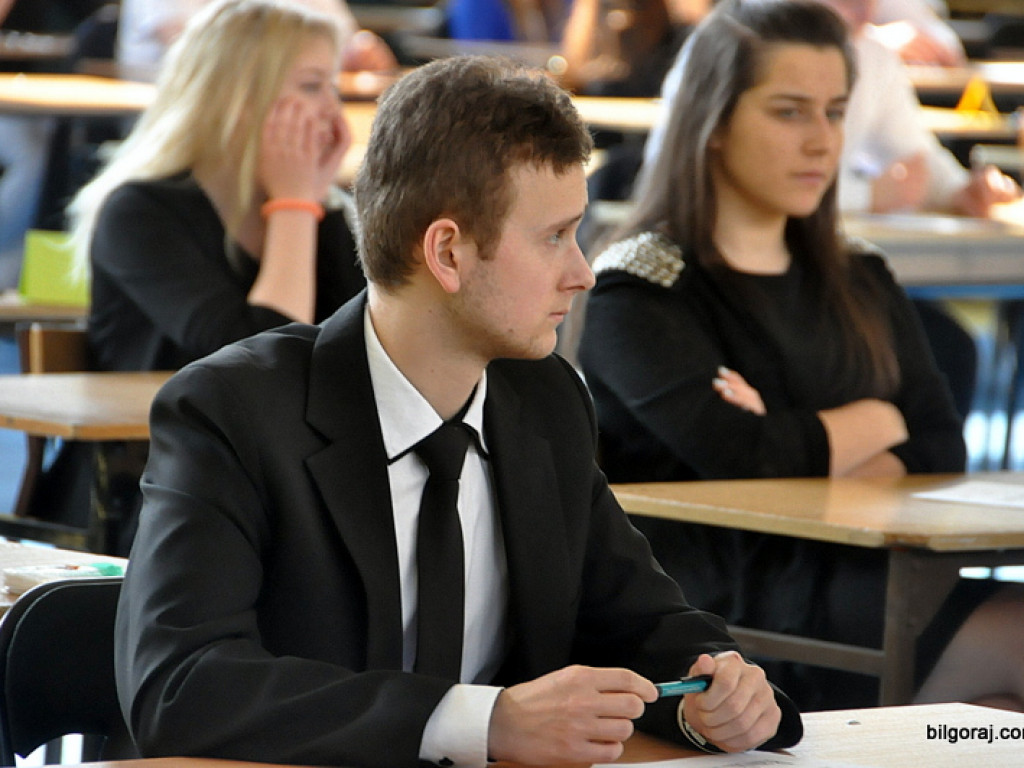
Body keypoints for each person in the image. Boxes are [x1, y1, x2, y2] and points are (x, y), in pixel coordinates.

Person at [114, 54, 804, 767]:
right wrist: (482, 720)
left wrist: (713, 694)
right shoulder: (232, 410)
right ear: (447, 252)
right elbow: (179, 685)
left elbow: (637, 620)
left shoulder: (545, 400)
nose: (583, 272)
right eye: (554, 236)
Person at [578, 0, 1024, 712]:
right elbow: (744, 456)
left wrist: (801, 437)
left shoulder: (860, 275)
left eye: (835, 112)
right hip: (726, 615)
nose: (822, 142)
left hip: (868, 573)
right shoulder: (641, 286)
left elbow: (940, 443)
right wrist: (878, 422)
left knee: (996, 725)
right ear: (715, 123)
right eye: (789, 113)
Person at [64, 0, 366, 553]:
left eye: (334, 87)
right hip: (151, 489)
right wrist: (295, 205)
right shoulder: (140, 211)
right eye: (311, 86)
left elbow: (364, 353)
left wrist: (312, 204)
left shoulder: (324, 219)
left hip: (274, 480)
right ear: (237, 97)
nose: (332, 111)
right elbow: (256, 364)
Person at [116, 0, 397, 75]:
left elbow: (342, 38)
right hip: (188, 123)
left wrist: (360, 49)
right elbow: (193, 50)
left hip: (284, 116)